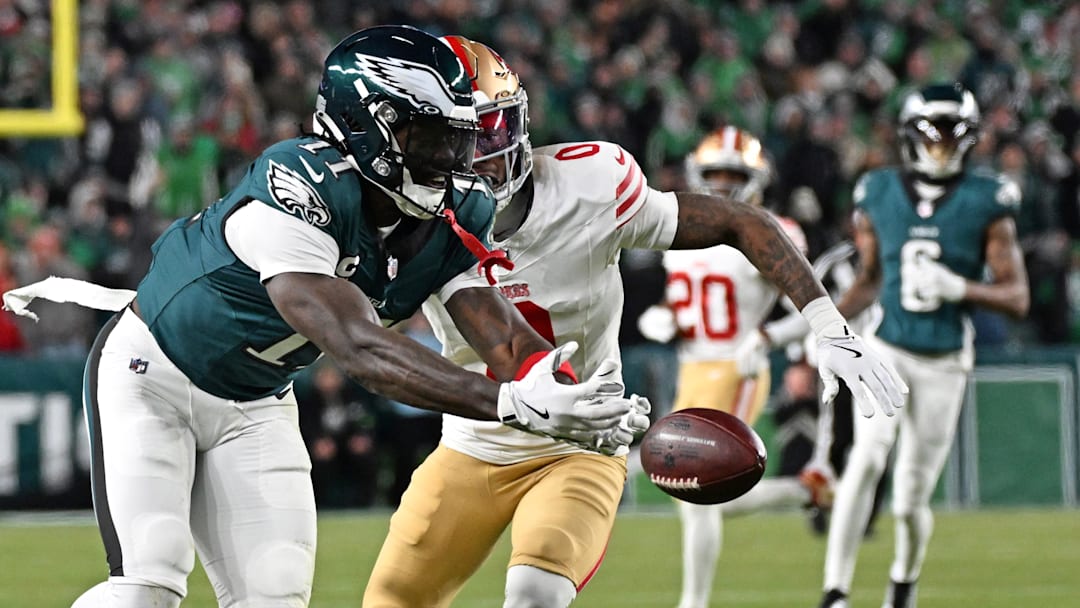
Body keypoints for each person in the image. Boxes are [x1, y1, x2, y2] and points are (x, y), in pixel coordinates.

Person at [3, 26, 642, 608]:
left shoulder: (455, 208)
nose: (458, 158)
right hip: (154, 374)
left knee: (275, 598)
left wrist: (566, 391)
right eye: (436, 137)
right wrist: (509, 403)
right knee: (149, 585)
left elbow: (497, 328)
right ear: (373, 128)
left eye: (463, 136)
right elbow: (359, 347)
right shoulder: (300, 183)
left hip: (255, 402)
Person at [361, 38, 906, 608]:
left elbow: (739, 221)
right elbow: (418, 342)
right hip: (474, 443)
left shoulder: (591, 184)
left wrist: (827, 324)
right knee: (390, 600)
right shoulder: (411, 221)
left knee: (533, 596)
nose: (482, 158)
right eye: (459, 141)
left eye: (493, 134)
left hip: (581, 444)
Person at [817, 83, 1029, 608]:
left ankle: (902, 585)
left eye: (953, 130)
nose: (941, 141)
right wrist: (822, 326)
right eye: (932, 129)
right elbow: (868, 279)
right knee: (865, 459)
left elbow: (1018, 296)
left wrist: (963, 288)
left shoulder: (988, 200)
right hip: (886, 345)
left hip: (945, 360)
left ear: (971, 137)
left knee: (911, 499)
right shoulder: (879, 191)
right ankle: (835, 593)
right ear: (911, 133)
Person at [656, 125, 834, 608]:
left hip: (738, 367)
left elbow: (816, 306)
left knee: (697, 492)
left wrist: (768, 338)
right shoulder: (677, 229)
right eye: (714, 174)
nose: (723, 185)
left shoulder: (767, 229)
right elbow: (689, 305)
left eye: (733, 175)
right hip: (692, 368)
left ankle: (693, 603)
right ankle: (804, 492)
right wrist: (667, 318)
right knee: (688, 489)